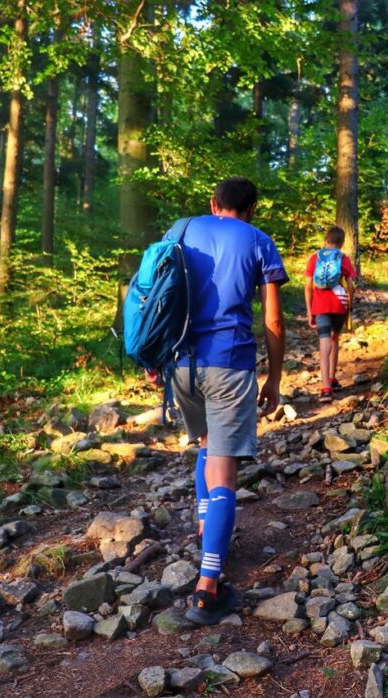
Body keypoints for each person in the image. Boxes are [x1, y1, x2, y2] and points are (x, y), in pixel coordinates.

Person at [167, 177, 288, 625]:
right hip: (230, 363)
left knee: (203, 442)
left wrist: (152, 355)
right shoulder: (258, 241)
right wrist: (274, 379)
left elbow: (155, 292)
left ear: (212, 203)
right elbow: (273, 319)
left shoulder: (180, 229)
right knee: (224, 467)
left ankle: (206, 528)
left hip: (180, 363)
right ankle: (208, 588)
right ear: (252, 208)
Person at [304, 226, 356, 404]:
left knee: (324, 343)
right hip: (339, 304)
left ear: (325, 241)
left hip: (320, 306)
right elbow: (350, 285)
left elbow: (308, 286)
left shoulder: (314, 258)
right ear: (341, 243)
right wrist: (350, 303)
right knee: (335, 338)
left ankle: (325, 387)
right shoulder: (343, 259)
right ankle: (332, 378)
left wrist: (309, 310)